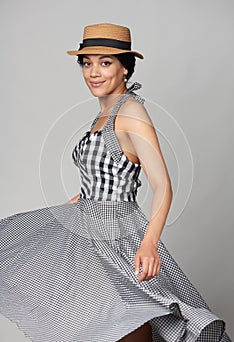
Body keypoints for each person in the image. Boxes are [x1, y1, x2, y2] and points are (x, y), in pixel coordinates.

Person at [0, 23, 231, 342]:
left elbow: (162, 184)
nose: (93, 72)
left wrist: (149, 244)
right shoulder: (101, 116)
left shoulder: (131, 112)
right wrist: (63, 212)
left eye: (105, 62)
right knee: (105, 325)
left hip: (117, 235)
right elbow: (100, 181)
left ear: (125, 67)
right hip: (87, 233)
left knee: (128, 321)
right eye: (87, 62)